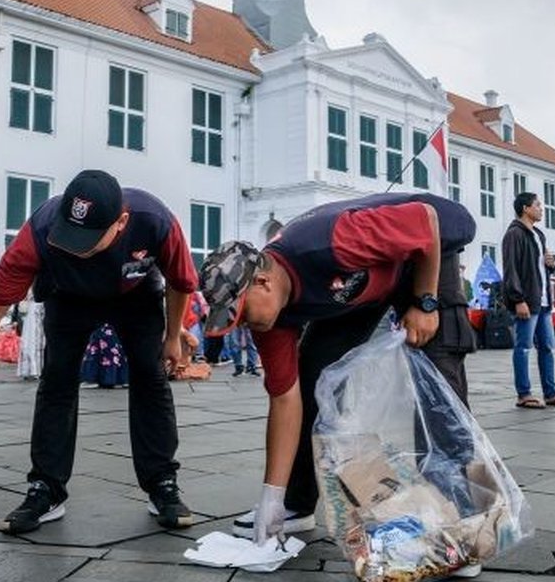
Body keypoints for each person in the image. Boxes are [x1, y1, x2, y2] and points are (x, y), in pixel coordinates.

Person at [198, 192, 480, 580]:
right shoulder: (269, 318)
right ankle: (294, 503)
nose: (243, 326)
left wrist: (426, 302)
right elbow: (285, 400)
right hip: (361, 282)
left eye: (241, 314)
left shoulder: (330, 241)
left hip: (426, 248)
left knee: (438, 379)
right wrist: (271, 495)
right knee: (313, 378)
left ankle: (457, 525)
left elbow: (425, 219)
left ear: (263, 281)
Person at [0, 169, 197, 534]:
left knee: (150, 375)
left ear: (121, 222)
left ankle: (162, 483)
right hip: (69, 296)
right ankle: (46, 488)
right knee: (57, 380)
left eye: (88, 239)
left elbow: (181, 282)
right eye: (71, 235)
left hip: (135, 296)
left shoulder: (154, 220)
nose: (78, 246)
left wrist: (173, 336)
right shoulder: (41, 228)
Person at [501, 192, 555, 410]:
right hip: (527, 300)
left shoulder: (538, 234)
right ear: (525, 208)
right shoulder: (514, 234)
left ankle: (550, 392)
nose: (541, 209)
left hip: (543, 300)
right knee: (523, 347)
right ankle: (524, 394)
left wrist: (551, 265)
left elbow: (539, 268)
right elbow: (510, 269)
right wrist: (518, 300)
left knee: (547, 346)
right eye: (537, 205)